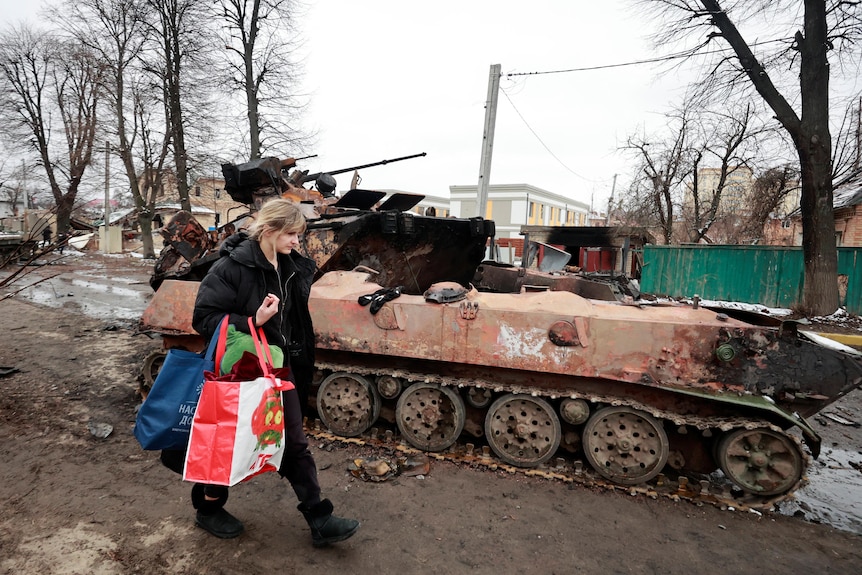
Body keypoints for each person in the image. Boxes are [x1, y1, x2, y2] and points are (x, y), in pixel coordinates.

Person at [183, 197, 359, 545]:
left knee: (294, 442)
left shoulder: (291, 266)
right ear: (268, 230)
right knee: (229, 442)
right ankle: (208, 508)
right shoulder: (230, 268)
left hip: (280, 367)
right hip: (242, 369)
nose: (297, 241)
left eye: (298, 234)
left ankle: (319, 519)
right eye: (292, 234)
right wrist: (252, 322)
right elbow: (203, 319)